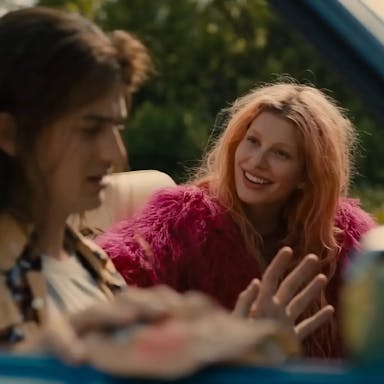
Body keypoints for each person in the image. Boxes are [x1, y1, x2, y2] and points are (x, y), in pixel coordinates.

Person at [0, 6, 333, 378]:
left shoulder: (93, 265)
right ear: (9, 135)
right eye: (90, 129)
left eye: (117, 129)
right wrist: (36, 362)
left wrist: (238, 361)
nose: (116, 154)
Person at [98, 82, 376, 359]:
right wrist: (226, 343)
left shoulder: (348, 239)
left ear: (306, 175)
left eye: (281, 153)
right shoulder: (180, 220)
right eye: (253, 141)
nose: (256, 161)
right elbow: (106, 285)